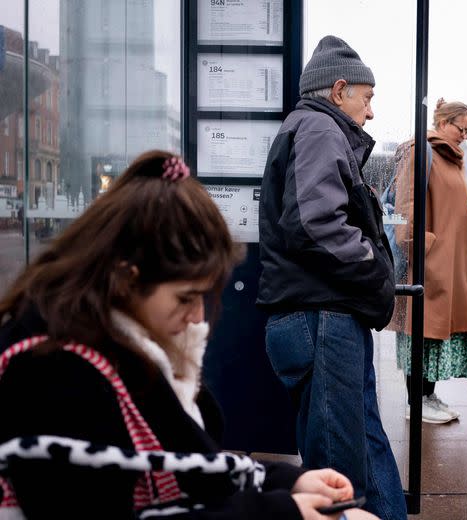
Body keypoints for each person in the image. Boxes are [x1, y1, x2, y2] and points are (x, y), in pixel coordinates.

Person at [0, 150, 377, 520]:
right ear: (126, 278)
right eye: (186, 298)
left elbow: (189, 466)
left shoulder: (111, 340)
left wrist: (288, 481)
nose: (198, 317)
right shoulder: (52, 371)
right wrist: (283, 509)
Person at [258, 36, 406, 520]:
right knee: (341, 468)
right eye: (367, 98)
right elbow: (316, 224)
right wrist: (376, 271)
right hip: (322, 319)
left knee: (358, 446)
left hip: (319, 317)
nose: (370, 112)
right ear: (340, 89)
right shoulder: (320, 129)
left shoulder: (310, 128)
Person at [393, 99, 467, 424]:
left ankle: (427, 397)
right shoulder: (421, 151)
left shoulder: (453, 159)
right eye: (459, 127)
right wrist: (423, 249)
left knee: (435, 334)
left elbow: (446, 208)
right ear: (442, 121)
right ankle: (415, 403)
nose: (464, 134)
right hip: (428, 261)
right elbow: (405, 207)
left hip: (450, 262)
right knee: (422, 332)